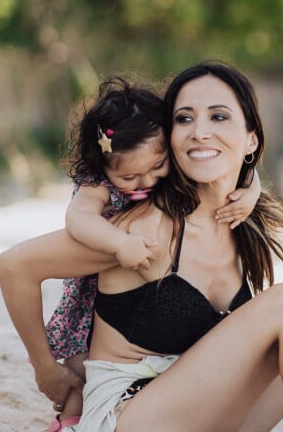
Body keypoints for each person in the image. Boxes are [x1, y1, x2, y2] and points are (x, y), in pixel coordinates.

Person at [0, 61, 283, 431]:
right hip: (129, 416)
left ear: (251, 139)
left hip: (207, 413)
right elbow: (15, 265)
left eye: (219, 116)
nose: (200, 132)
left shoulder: (239, 218)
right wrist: (47, 369)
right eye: (184, 118)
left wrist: (249, 187)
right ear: (168, 139)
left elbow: (241, 177)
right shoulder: (145, 229)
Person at [32, 74, 262, 430]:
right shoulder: (106, 193)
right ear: (107, 169)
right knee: (79, 364)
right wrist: (118, 243)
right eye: (131, 178)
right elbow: (76, 220)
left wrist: (251, 190)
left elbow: (233, 162)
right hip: (102, 275)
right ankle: (69, 421)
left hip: (166, 380)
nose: (147, 182)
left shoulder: (165, 172)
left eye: (157, 167)